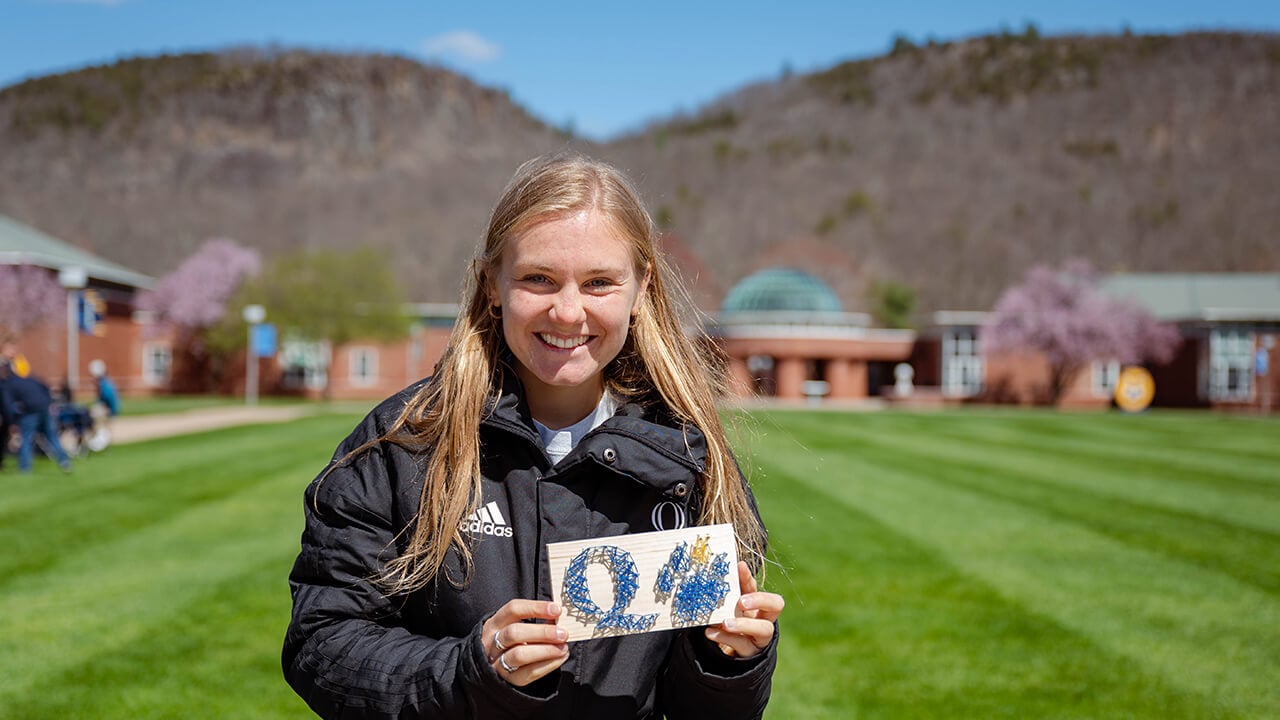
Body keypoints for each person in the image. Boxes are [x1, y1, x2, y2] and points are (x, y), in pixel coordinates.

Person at [283, 152, 784, 719]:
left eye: (599, 282)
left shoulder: (692, 461)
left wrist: (727, 662)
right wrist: (471, 669)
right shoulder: (404, 444)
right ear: (492, 283)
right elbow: (321, 644)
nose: (568, 312)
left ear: (641, 288)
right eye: (537, 279)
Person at [0, 362, 72, 473]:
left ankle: (25, 468)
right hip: (44, 409)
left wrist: (12, 422)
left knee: (26, 438)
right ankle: (64, 461)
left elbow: (7, 405)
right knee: (52, 436)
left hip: (31, 412)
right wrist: (48, 403)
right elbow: (46, 388)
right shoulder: (30, 379)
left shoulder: (9, 384)